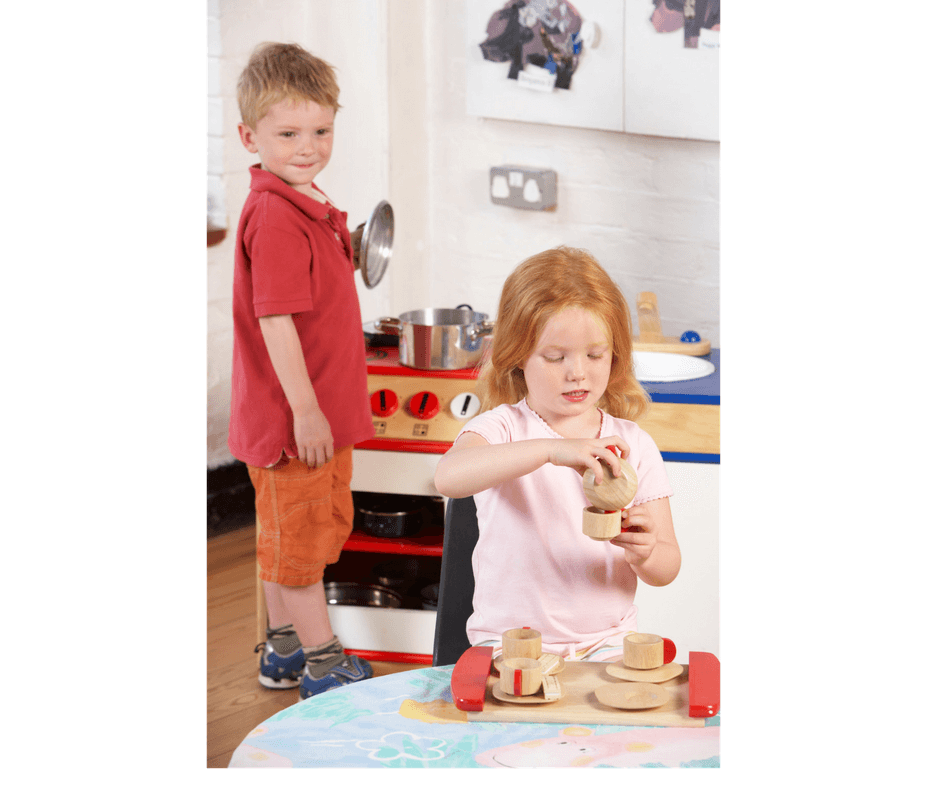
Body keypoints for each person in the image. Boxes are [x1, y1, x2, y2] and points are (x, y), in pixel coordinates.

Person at [434, 247, 681, 662]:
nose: (577, 372)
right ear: (517, 356)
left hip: (607, 643)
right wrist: (551, 450)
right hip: (510, 643)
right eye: (555, 357)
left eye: (595, 354)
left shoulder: (632, 443)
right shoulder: (503, 428)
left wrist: (648, 552)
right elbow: (449, 477)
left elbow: (668, 565)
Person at [229, 42, 374, 698]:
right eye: (288, 134)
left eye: (322, 130)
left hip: (305, 416)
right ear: (249, 137)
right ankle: (322, 662)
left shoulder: (303, 200)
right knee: (302, 546)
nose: (308, 146)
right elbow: (276, 322)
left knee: (288, 536)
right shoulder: (277, 216)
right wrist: (308, 410)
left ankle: (282, 650)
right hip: (296, 422)